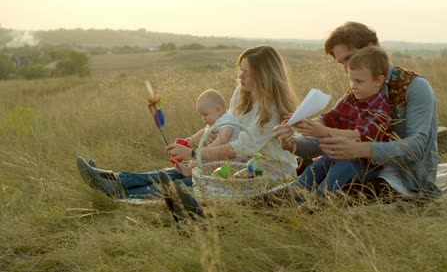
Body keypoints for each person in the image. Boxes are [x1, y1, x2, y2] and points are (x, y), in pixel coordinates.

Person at [77, 45, 299, 199]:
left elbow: (238, 148)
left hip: (265, 175)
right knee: (182, 171)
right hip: (239, 165)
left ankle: (119, 194)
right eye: (240, 70)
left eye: (247, 73)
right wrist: (203, 139)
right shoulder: (242, 93)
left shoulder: (273, 112)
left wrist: (195, 155)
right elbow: (226, 123)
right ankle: (113, 179)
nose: (240, 77)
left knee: (190, 182)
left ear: (265, 76)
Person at [274, 21, 441, 200]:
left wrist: (359, 149)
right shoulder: (357, 91)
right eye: (341, 62)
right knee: (298, 188)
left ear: (370, 48)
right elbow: (328, 139)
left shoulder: (415, 86)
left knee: (334, 195)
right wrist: (292, 144)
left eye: (349, 57)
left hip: (404, 179)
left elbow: (417, 147)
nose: (346, 68)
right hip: (356, 169)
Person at [292, 46, 392, 198]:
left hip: (364, 164)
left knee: (337, 174)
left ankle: (318, 204)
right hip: (339, 154)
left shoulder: (381, 110)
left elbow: (358, 136)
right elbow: (330, 117)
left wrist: (323, 132)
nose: (353, 86)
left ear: (378, 81)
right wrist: (306, 123)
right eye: (351, 80)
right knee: (314, 169)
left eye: (359, 81)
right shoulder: (350, 98)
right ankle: (292, 198)